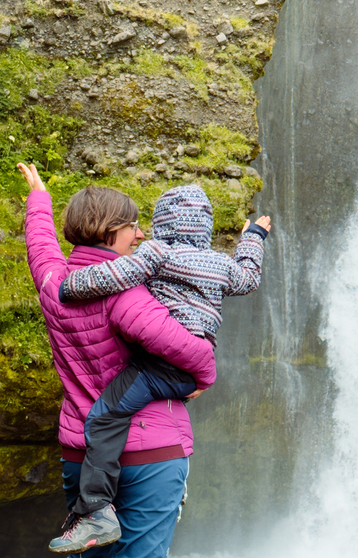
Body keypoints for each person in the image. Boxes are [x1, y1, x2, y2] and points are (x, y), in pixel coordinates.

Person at [56, 183, 271, 553]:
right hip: (187, 368)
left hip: (163, 361)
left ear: (161, 225)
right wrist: (253, 238)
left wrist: (71, 285)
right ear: (204, 227)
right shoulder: (220, 264)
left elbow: (116, 276)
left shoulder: (157, 253)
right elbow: (249, 277)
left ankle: (95, 510)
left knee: (104, 416)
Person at [18, 164, 216, 558]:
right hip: (149, 457)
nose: (140, 235)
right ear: (110, 230)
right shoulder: (126, 295)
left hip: (81, 454)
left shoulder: (54, 283)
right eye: (133, 227)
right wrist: (205, 377)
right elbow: (190, 349)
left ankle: (95, 516)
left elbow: (40, 245)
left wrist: (39, 197)